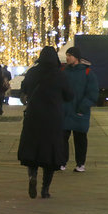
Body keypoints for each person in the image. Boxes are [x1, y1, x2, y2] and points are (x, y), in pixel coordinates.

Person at [18, 47, 74, 199]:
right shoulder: (60, 75)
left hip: (34, 117)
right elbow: (69, 95)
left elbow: (23, 89)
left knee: (32, 150)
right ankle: (45, 189)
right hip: (53, 119)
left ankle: (32, 177)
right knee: (50, 155)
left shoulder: (32, 72)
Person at [61, 46, 99, 173]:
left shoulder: (87, 73)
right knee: (62, 138)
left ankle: (80, 164)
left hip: (79, 112)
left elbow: (92, 93)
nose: (67, 58)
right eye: (67, 55)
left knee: (80, 139)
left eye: (69, 55)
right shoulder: (64, 72)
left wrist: (82, 108)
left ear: (76, 58)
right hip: (66, 111)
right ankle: (62, 162)